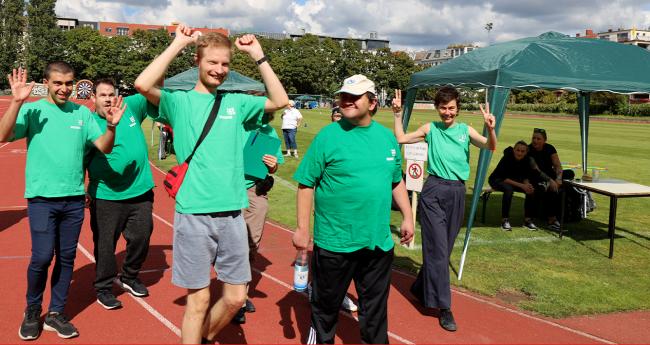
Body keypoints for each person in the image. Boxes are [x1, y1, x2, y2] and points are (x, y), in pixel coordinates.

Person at [134, 25, 288, 344]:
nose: (219, 70)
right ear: (198, 62)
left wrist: (258, 55)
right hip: (194, 215)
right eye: (212, 63)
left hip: (232, 214)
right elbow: (142, 83)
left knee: (234, 299)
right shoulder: (179, 102)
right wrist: (177, 43)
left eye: (225, 64)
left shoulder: (236, 103)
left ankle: (203, 338)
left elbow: (280, 99)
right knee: (199, 301)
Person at [0, 63, 124, 340]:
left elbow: (104, 145)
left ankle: (55, 313)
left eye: (69, 83)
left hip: (73, 199)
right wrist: (16, 103)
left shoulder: (81, 112)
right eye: (58, 83)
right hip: (42, 198)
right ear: (46, 83)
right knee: (43, 257)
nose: (64, 88)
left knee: (67, 258)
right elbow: (2, 135)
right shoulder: (33, 110)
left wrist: (112, 127)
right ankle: (32, 309)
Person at [293, 74, 414, 344]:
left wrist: (408, 216)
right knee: (325, 308)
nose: (346, 101)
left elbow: (396, 180)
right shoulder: (328, 136)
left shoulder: (387, 138)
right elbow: (306, 183)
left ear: (372, 103)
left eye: (354, 96)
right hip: (335, 241)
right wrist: (302, 229)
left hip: (377, 243)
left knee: (375, 311)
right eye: (343, 96)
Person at [392, 86, 496, 332]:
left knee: (444, 249)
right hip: (434, 192)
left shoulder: (465, 130)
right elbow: (401, 138)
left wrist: (490, 129)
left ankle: (419, 287)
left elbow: (490, 146)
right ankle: (444, 307)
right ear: (437, 108)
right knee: (438, 249)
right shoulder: (430, 129)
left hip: (458, 192)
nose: (447, 112)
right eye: (443, 108)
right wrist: (397, 115)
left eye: (451, 108)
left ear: (458, 108)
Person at [85, 78, 158, 310]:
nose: (107, 99)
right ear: (93, 98)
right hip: (106, 195)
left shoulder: (131, 107)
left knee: (141, 237)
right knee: (105, 245)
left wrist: (174, 48)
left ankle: (129, 276)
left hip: (140, 190)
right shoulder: (88, 123)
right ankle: (104, 288)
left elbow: (152, 85)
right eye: (102, 95)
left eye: (111, 94)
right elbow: (80, 160)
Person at [232, 112, 283, 324]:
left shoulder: (268, 132)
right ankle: (233, 293)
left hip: (255, 192)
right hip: (227, 190)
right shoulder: (233, 125)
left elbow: (275, 165)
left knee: (250, 244)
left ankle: (239, 298)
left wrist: (272, 165)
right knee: (228, 246)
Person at [488, 140, 551, 231]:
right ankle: (504, 220)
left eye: (522, 151)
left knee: (530, 190)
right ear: (514, 150)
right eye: (518, 150)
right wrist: (522, 186)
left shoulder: (527, 160)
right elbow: (505, 178)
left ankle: (527, 220)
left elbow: (525, 176)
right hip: (497, 179)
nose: (520, 153)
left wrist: (527, 184)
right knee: (508, 189)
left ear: (526, 152)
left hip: (513, 180)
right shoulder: (507, 158)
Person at [528, 128, 564, 231]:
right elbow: (537, 171)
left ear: (545, 140)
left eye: (538, 139)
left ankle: (560, 216)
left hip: (550, 176)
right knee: (549, 190)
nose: (535, 141)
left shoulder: (550, 148)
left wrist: (558, 179)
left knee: (569, 174)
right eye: (534, 138)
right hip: (536, 177)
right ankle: (551, 220)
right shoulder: (529, 150)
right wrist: (550, 181)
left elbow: (557, 165)